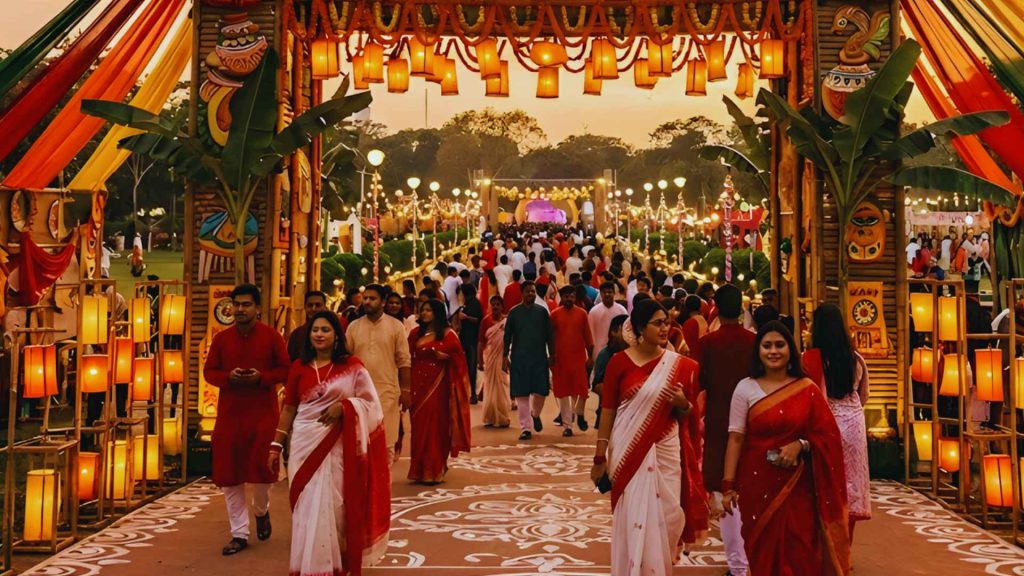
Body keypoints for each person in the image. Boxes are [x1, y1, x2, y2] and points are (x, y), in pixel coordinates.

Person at [721, 321, 850, 575]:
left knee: (801, 550)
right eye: (766, 346)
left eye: (779, 345)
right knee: (761, 553)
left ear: (790, 349)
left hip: (798, 486)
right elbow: (735, 438)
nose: (773, 351)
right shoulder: (745, 388)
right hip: (757, 484)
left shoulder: (807, 389)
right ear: (758, 350)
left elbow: (828, 436)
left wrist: (800, 445)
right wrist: (727, 486)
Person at [268, 311, 390, 575]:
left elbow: (372, 406)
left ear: (336, 336)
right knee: (305, 506)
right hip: (304, 442)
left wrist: (345, 407)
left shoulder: (352, 367)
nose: (319, 334)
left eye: (325, 330)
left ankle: (333, 567)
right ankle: (308, 568)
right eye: (315, 330)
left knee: (336, 507)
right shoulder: (299, 367)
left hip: (337, 446)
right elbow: (289, 409)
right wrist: (276, 445)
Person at [591, 299, 706, 575]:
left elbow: (691, 412)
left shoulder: (679, 365)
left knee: (667, 518)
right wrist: (599, 456)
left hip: (666, 451)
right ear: (640, 328)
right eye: (658, 323)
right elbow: (607, 412)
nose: (665, 328)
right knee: (633, 517)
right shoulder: (620, 362)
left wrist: (682, 403)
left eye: (667, 322)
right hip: (628, 451)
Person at [203, 284, 291, 556]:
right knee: (230, 475)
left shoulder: (272, 337)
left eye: (245, 304)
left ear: (256, 308)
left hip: (263, 414)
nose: (240, 309)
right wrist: (228, 377)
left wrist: (261, 378)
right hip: (230, 416)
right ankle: (239, 533)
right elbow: (209, 372)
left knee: (264, 472)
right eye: (236, 304)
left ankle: (261, 510)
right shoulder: (222, 339)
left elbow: (285, 370)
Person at [693, 284, 755, 576]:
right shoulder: (755, 342)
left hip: (720, 420)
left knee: (724, 488)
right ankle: (751, 556)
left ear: (716, 307)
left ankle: (737, 563)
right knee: (751, 486)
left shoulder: (707, 344)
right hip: (753, 421)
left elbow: (699, 383)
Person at [802, 303, 871, 542]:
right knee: (850, 484)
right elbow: (863, 396)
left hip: (825, 425)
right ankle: (845, 548)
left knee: (823, 484)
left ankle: (824, 547)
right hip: (853, 424)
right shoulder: (856, 359)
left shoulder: (810, 360)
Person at [407, 299, 472, 484]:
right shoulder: (414, 334)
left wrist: (447, 357)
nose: (425, 313)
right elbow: (406, 357)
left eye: (429, 310)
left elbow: (459, 357)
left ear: (437, 312)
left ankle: (434, 469)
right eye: (423, 310)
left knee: (436, 426)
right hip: (418, 386)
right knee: (419, 428)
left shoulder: (447, 334)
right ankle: (419, 470)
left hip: (439, 387)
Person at [345, 284, 412, 462]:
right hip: (359, 394)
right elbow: (345, 360)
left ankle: (383, 487)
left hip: (387, 392)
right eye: (365, 298)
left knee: (385, 444)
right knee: (361, 443)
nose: (367, 301)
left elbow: (404, 360)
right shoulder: (353, 327)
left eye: (372, 298)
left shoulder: (396, 327)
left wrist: (406, 390)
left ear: (383, 302)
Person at [503, 281, 553, 440]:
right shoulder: (514, 313)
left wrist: (553, 354)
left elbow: (550, 336)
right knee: (521, 393)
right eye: (527, 291)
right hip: (519, 358)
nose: (530, 294)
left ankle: (535, 414)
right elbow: (507, 337)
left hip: (539, 357)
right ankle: (526, 428)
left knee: (541, 391)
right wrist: (505, 356)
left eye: (533, 291)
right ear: (522, 293)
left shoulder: (542, 312)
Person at [550, 285, 595, 436]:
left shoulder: (582, 314)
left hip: (578, 359)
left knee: (581, 390)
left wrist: (591, 355)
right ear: (561, 298)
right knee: (563, 394)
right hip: (560, 360)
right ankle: (567, 426)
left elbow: (588, 336)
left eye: (572, 296)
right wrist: (551, 356)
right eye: (566, 296)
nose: (569, 299)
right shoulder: (554, 315)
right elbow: (550, 339)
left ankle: (579, 413)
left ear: (575, 298)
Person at [590, 313, 629, 429]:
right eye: (625, 330)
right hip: (609, 413)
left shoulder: (634, 353)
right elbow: (597, 386)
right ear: (614, 332)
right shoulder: (605, 355)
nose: (629, 334)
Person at [478, 295, 511, 428]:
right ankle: (490, 416)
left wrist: (508, 358)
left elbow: (509, 341)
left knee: (502, 385)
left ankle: (502, 417)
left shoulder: (506, 321)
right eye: (493, 305)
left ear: (502, 306)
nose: (496, 307)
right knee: (490, 386)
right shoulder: (485, 321)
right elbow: (481, 341)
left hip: (502, 357)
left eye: (498, 304)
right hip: (490, 357)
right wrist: (480, 360)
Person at [454, 284, 483, 403]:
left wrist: (465, 317)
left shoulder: (474, 303)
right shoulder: (466, 304)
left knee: (471, 367)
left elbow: (478, 319)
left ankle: (474, 394)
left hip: (471, 339)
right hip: (466, 338)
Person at [588, 282, 628, 358]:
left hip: (617, 351)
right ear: (600, 293)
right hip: (598, 351)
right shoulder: (593, 312)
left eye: (609, 292)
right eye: (604, 292)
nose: (607, 294)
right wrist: (590, 355)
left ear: (614, 293)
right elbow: (590, 334)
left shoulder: (622, 310)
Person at [288, 291, 328, 361]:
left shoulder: (333, 332)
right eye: (310, 305)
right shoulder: (297, 334)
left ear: (324, 307)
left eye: (318, 305)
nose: (313, 309)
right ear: (305, 307)